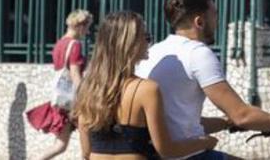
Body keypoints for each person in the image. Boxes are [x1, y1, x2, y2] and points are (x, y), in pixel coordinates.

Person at [135, 0, 270, 160]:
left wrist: (225, 122)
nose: (217, 21)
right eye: (214, 14)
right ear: (199, 21)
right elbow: (243, 115)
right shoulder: (197, 53)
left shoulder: (155, 52)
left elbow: (179, 121)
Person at [75, 11, 219, 159]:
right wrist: (204, 142)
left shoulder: (87, 89)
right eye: (145, 37)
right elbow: (167, 150)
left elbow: (86, 151)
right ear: (130, 44)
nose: (149, 42)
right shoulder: (146, 90)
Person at [26, 9, 93, 160]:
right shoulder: (75, 45)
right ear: (80, 25)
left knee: (61, 145)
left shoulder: (60, 43)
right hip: (72, 100)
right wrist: (85, 96)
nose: (87, 31)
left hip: (61, 99)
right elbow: (75, 74)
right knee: (84, 142)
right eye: (87, 26)